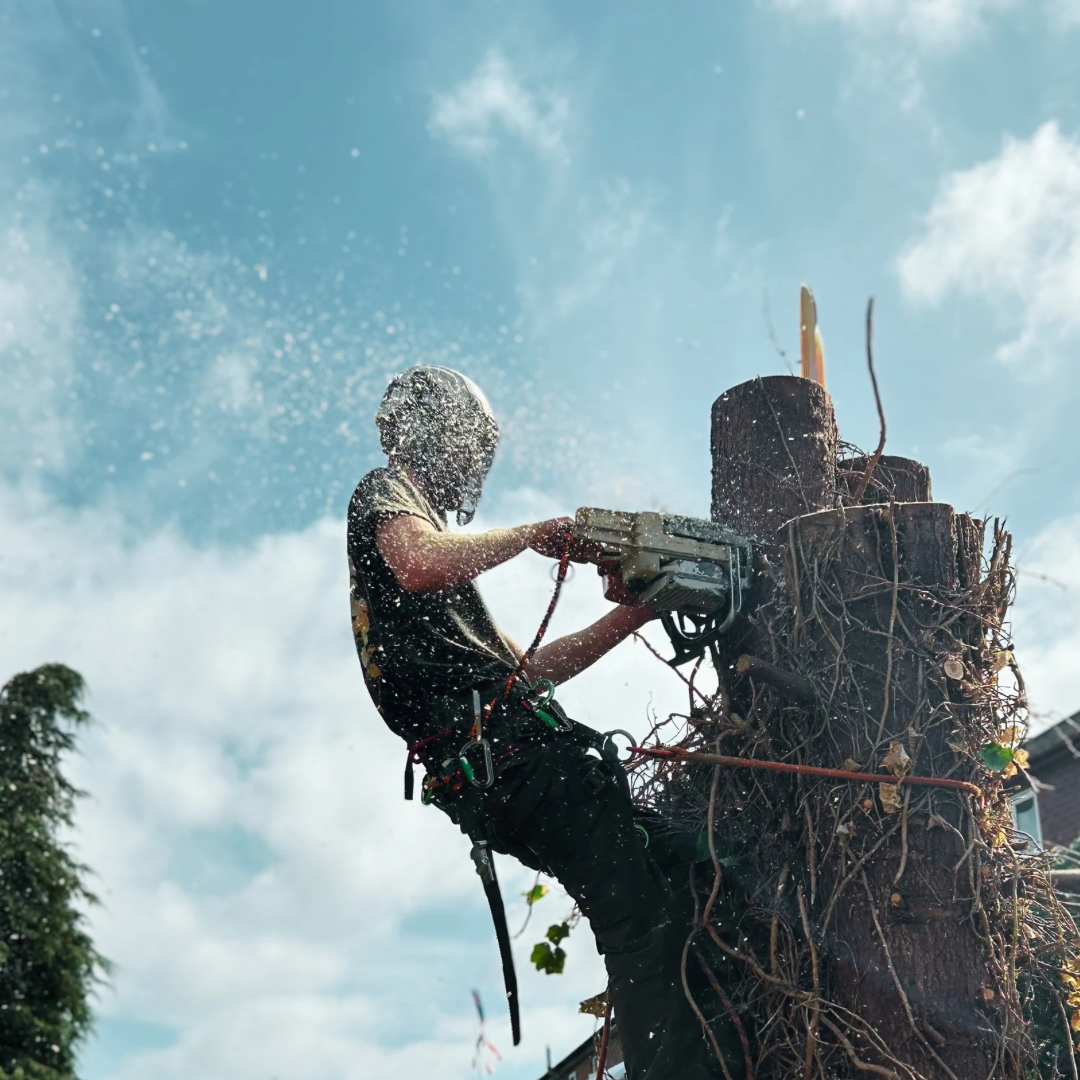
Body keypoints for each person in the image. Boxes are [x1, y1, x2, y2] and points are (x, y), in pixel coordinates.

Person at [346, 365, 727, 1080]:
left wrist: (638, 610)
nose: (471, 464)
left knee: (693, 871)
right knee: (643, 925)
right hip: (512, 764)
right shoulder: (387, 494)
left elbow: (529, 673)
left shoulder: (442, 604)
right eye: (465, 446)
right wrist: (533, 534)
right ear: (433, 430)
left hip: (508, 763)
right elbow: (418, 563)